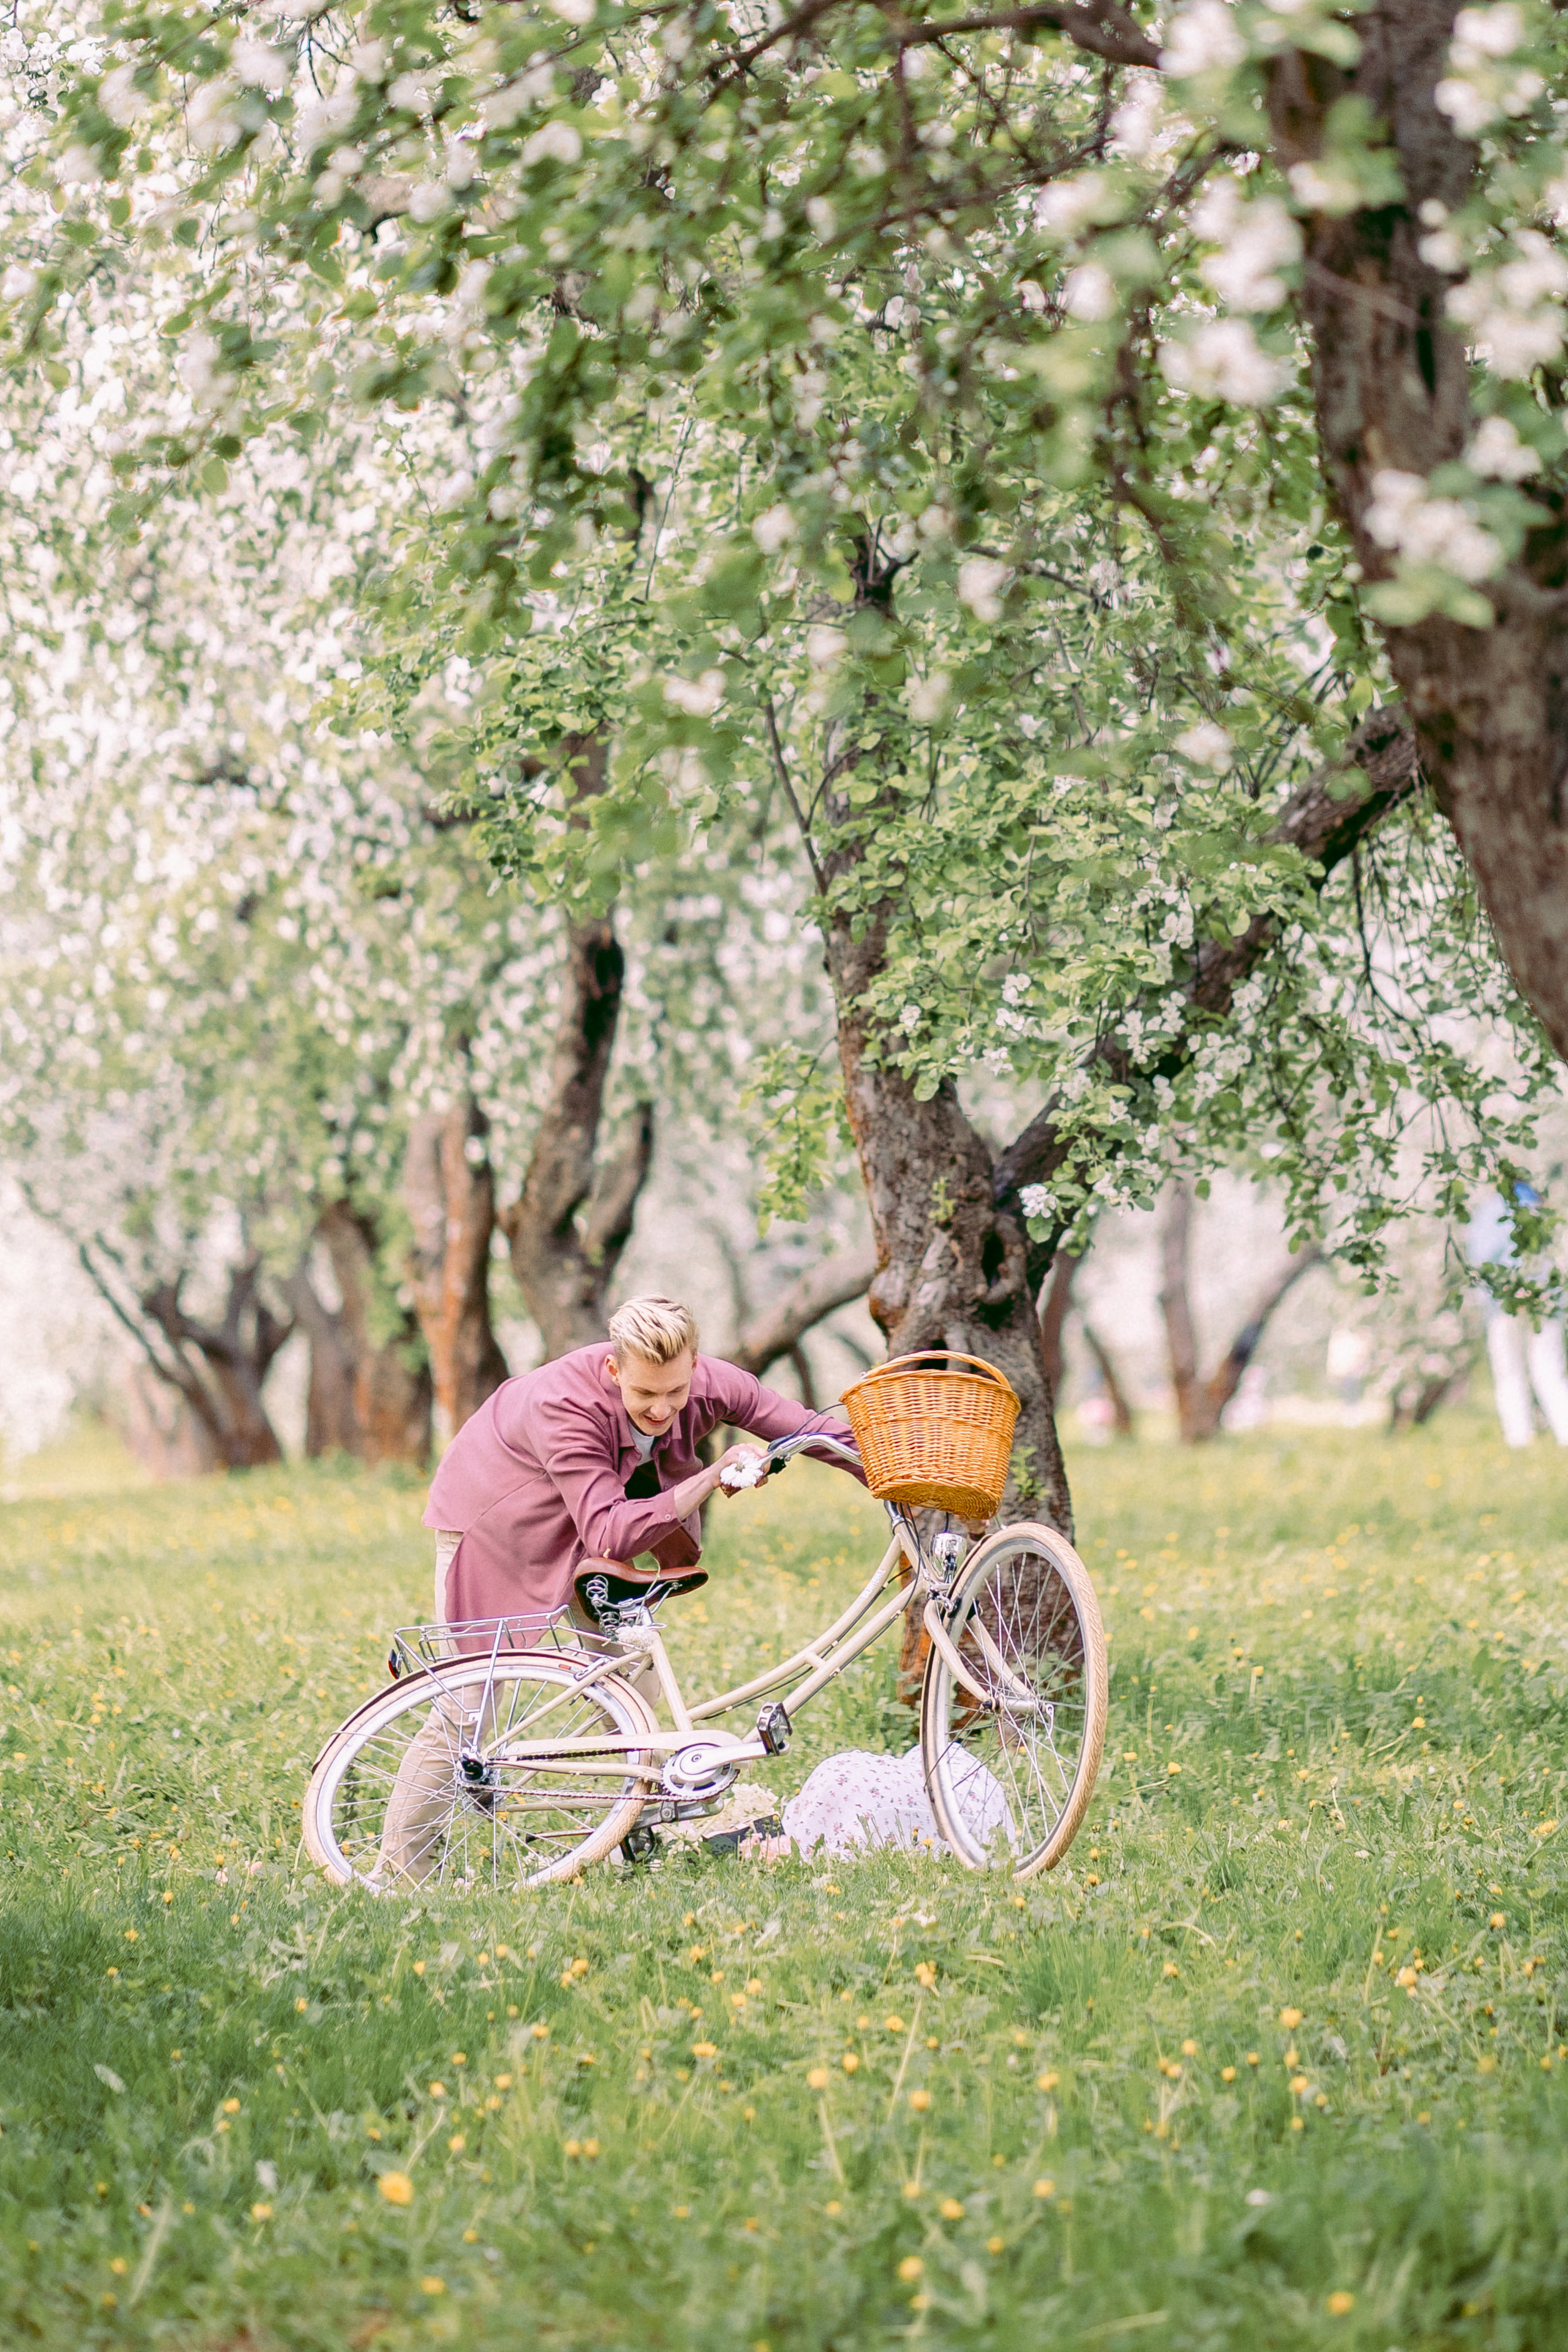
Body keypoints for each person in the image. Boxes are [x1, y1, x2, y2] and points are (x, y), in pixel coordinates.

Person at [376, 1296, 861, 1882]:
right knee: (468, 1707)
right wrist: (712, 1475)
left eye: (675, 1393)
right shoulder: (564, 1405)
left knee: (632, 1675)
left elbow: (804, 1426)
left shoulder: (708, 1383)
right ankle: (399, 1875)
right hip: (495, 1523)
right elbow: (610, 1531)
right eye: (645, 1395)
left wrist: (890, 1470)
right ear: (614, 1371)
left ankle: (629, 1823)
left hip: (593, 1518)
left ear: (694, 1366)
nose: (662, 1409)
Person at [1468, 1187, 1568, 1448]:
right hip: (1546, 1297)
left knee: (1510, 1372)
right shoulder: (1545, 1209)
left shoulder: (1491, 1210)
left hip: (1504, 1302)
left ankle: (1520, 1440)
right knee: (1550, 1370)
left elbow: (1481, 1259)